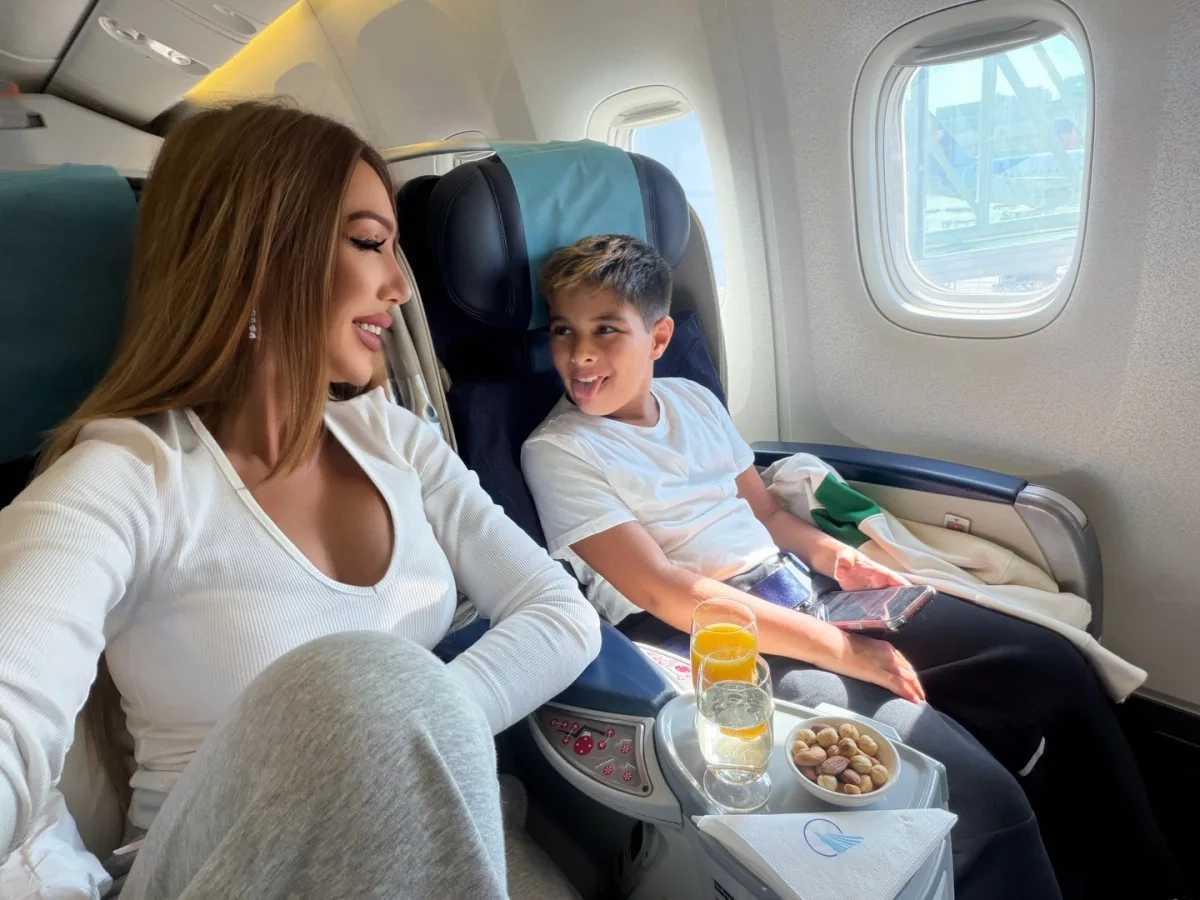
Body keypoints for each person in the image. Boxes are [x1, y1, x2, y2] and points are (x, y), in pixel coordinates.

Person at [0, 101, 602, 899]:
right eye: (370, 243)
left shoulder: (395, 437)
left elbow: (561, 615)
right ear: (259, 254)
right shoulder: (130, 476)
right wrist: (378, 719)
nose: (399, 285)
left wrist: (398, 733)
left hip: (414, 836)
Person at [521, 233, 1188, 900]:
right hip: (715, 643)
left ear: (659, 337)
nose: (579, 355)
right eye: (562, 330)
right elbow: (664, 593)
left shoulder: (693, 401)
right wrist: (845, 651)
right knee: (971, 794)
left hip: (799, 590)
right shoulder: (560, 450)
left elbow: (767, 514)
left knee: (1048, 666)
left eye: (606, 329)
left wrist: (839, 559)